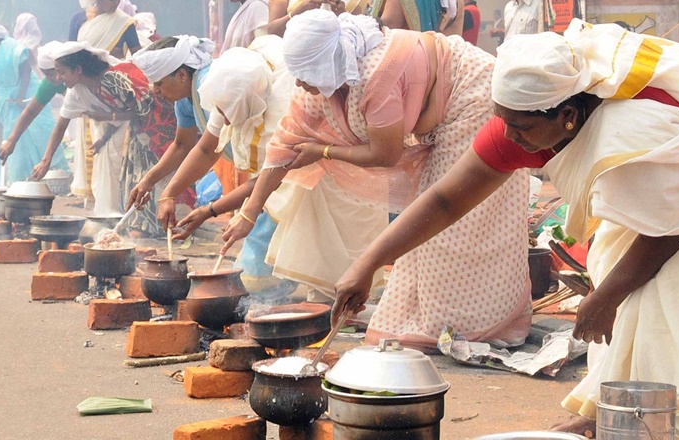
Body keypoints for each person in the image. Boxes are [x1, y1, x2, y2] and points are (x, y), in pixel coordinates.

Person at [333, 21, 679, 437]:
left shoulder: (631, 130)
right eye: (502, 121)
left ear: (568, 119)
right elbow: (445, 199)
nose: (507, 138)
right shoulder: (528, 112)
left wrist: (605, 297)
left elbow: (672, 230)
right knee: (619, 264)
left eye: (519, 129)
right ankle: (611, 409)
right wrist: (368, 263)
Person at [223, 10, 532, 345]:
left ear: (326, 61)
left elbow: (385, 155)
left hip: (473, 100)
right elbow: (284, 148)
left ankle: (469, 325)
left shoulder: (374, 76)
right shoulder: (319, 80)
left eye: (305, 74)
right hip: (441, 117)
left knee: (448, 224)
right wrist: (247, 215)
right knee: (422, 223)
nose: (299, 82)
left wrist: (324, 152)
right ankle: (431, 318)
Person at [156, 35, 298, 301]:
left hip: (298, 186)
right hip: (269, 188)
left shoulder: (282, 113)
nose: (224, 118)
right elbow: (206, 148)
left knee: (267, 270)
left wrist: (212, 210)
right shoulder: (225, 91)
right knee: (256, 269)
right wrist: (170, 193)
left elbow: (271, 179)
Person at [30, 42, 179, 226]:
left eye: (62, 72)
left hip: (160, 127)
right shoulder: (76, 93)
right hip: (138, 132)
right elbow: (61, 126)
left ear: (78, 69)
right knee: (138, 181)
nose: (59, 78)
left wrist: (107, 116)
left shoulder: (116, 77)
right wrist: (46, 160)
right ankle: (147, 226)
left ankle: (173, 223)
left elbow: (142, 110)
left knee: (164, 176)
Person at [0, 17, 68, 184]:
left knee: (40, 131)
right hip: (5, 100)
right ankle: (20, 178)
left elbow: (25, 72)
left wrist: (20, 95)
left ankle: (53, 173)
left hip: (27, 92)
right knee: (15, 139)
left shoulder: (12, 47)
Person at [128, 36, 220, 209]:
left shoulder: (207, 86)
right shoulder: (184, 100)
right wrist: (148, 181)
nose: (155, 91)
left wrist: (169, 194)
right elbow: (182, 145)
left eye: (159, 83)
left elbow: (207, 150)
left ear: (182, 75)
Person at [0, 41, 67, 168]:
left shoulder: (80, 76)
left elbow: (62, 125)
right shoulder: (49, 83)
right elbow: (30, 112)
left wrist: (46, 160)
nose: (53, 78)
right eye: (46, 74)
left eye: (52, 73)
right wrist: (11, 140)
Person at [265, 0, 343, 37]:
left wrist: (342, 13)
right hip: (295, 59)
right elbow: (272, 31)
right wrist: (297, 12)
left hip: (336, 58)